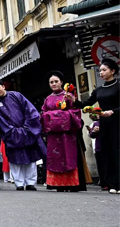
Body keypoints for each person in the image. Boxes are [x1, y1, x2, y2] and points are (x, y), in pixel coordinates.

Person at [0, 79, 46, 191]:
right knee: (15, 160)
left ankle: (30, 182)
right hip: (11, 135)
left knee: (30, 158)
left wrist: (27, 128)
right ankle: (19, 183)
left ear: (3, 87)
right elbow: (0, 121)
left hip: (27, 131)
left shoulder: (16, 95)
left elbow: (30, 110)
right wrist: (12, 131)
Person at [77, 58, 119, 194]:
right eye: (100, 70)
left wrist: (113, 111)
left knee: (117, 151)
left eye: (104, 70)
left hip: (117, 122)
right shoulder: (99, 90)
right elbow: (87, 103)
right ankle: (111, 183)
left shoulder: (119, 86)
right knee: (107, 153)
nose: (101, 73)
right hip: (104, 124)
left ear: (113, 71)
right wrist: (74, 101)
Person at [40, 71, 86, 192]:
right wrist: (59, 115)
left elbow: (76, 112)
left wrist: (54, 116)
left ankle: (72, 183)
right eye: (51, 82)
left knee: (68, 156)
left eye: (56, 81)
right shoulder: (48, 99)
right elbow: (43, 114)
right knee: (54, 158)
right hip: (53, 136)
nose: (54, 84)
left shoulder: (69, 96)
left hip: (67, 134)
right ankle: (57, 183)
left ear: (61, 82)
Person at [88, 114, 105, 190]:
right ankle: (103, 183)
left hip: (106, 147)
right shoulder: (96, 123)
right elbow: (91, 135)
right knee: (100, 166)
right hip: (98, 147)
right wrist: (93, 131)